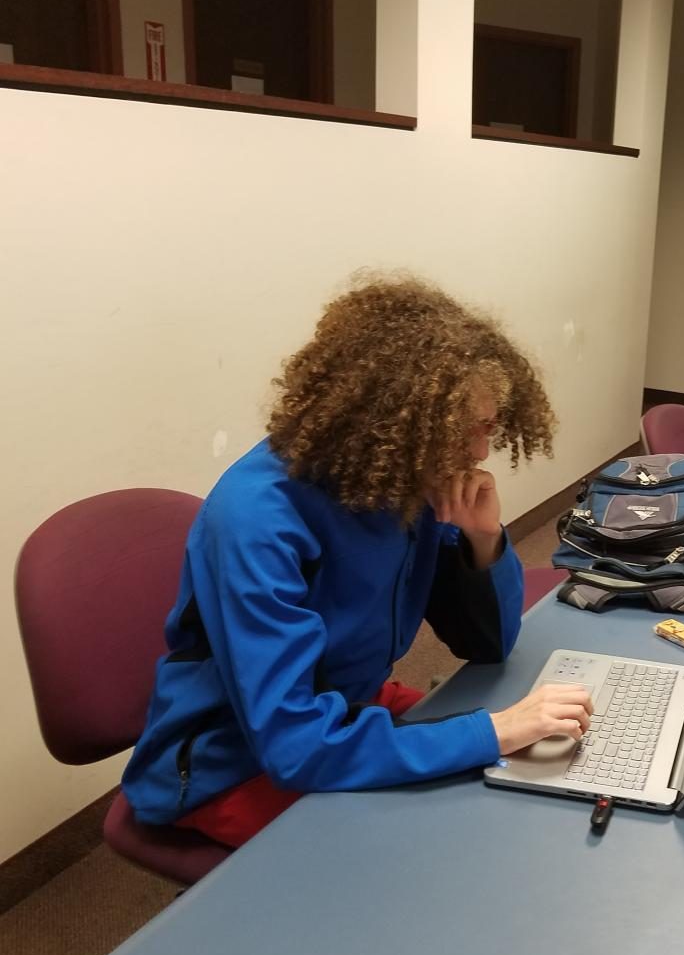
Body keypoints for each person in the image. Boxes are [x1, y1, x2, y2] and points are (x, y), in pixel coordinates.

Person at [122, 275, 594, 848]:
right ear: (391, 421)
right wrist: (493, 732)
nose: (479, 452)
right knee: (447, 836)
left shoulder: (400, 484)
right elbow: (295, 747)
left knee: (531, 773)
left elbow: (488, 644)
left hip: (349, 711)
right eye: (465, 431)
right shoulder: (256, 519)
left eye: (488, 428)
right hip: (234, 764)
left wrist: (483, 540)